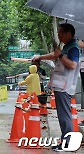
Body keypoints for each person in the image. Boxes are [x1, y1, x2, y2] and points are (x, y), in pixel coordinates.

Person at [32, 23, 80, 152]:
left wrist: (60, 55)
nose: (58, 35)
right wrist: (40, 57)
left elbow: (73, 65)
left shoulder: (73, 48)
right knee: (63, 115)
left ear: (68, 33)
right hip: (61, 86)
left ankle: (67, 142)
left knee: (65, 116)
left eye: (60, 33)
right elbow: (54, 55)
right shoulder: (67, 47)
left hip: (65, 87)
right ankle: (65, 140)